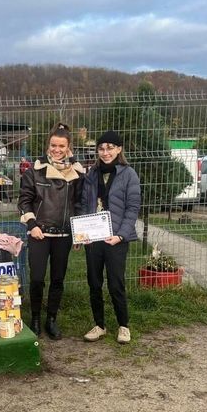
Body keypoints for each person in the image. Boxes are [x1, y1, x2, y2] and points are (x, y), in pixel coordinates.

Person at [18, 122, 85, 340]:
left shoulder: (77, 173)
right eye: (53, 145)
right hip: (40, 234)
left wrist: (78, 233)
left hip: (64, 235)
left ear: (68, 147)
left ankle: (51, 319)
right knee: (37, 278)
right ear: (48, 145)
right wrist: (32, 225)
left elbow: (79, 204)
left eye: (61, 146)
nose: (57, 149)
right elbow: (24, 201)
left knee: (58, 279)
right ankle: (35, 318)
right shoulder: (34, 172)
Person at [81, 130, 141, 344]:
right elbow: (84, 205)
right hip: (93, 240)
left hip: (116, 240)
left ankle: (123, 326)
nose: (105, 152)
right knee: (94, 283)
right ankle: (99, 325)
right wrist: (82, 234)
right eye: (101, 148)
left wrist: (121, 235)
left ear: (118, 149)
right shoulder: (91, 174)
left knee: (116, 283)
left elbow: (133, 208)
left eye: (110, 148)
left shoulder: (128, 174)